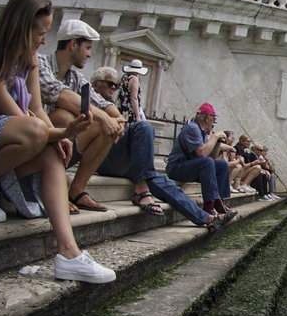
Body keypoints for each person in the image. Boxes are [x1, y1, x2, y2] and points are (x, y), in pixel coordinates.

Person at [0, 0, 115, 282]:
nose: (44, 40)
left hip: (18, 137)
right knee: (40, 133)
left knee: (52, 152)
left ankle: (69, 252)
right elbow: (17, 115)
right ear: (22, 27)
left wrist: (62, 135)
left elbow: (35, 107)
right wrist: (56, 131)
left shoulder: (31, 59)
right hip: (6, 132)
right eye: (40, 32)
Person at [91, 67, 233, 229]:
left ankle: (206, 218)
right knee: (144, 128)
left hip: (120, 157)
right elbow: (201, 154)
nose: (114, 87)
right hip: (100, 157)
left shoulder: (111, 106)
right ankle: (142, 191)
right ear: (95, 85)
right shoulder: (88, 98)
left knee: (158, 178)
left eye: (115, 84)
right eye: (109, 83)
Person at [38, 19, 124, 213]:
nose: (90, 53)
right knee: (63, 116)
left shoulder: (76, 77)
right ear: (72, 44)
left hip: (63, 143)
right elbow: (59, 94)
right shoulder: (39, 62)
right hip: (36, 141)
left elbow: (102, 103)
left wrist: (117, 119)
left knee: (106, 127)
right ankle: (54, 191)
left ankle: (76, 190)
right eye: (87, 47)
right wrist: (104, 117)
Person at [166, 102, 235, 217]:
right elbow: (202, 153)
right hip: (177, 167)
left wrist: (217, 143)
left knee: (222, 165)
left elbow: (211, 158)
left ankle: (220, 202)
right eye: (214, 119)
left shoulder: (201, 131)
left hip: (191, 166)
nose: (213, 123)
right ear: (208, 118)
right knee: (207, 162)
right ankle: (209, 205)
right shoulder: (192, 128)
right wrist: (215, 136)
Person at [117, 59, 148, 126]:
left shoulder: (124, 77)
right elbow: (134, 98)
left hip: (122, 109)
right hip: (130, 111)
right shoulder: (134, 79)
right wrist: (137, 116)